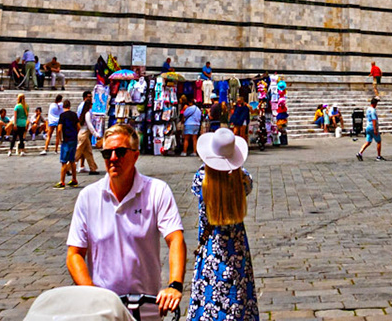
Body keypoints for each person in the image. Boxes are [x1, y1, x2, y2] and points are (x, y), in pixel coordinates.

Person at [66, 124, 186, 314]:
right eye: (107, 153)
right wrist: (92, 294)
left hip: (146, 307)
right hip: (103, 311)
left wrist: (175, 285)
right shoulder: (88, 197)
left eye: (120, 152)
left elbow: (175, 239)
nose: (113, 158)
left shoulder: (157, 191)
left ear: (135, 156)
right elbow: (74, 254)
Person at [186, 128, 258, 321]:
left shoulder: (201, 179)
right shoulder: (243, 180)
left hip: (211, 245)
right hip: (237, 248)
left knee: (209, 294)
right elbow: (244, 183)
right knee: (238, 293)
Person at [57, 93, 82, 188]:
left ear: (63, 106)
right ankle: (74, 179)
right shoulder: (74, 115)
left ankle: (62, 181)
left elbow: (59, 129)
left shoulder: (62, 116)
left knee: (63, 162)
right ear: (70, 106)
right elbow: (78, 126)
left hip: (66, 139)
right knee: (72, 160)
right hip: (73, 139)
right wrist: (75, 133)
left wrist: (60, 138)